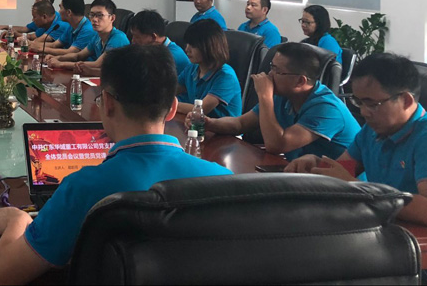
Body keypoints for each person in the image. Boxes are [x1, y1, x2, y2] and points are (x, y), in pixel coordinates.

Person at [0, 44, 232, 284]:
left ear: (107, 102)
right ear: (172, 109)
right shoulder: (223, 182)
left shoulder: (84, 187)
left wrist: (18, 220)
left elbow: (6, 274)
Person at [286, 53, 427, 225]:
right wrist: (316, 164)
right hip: (383, 227)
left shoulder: (423, 136)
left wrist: (357, 187)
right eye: (359, 102)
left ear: (406, 101)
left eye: (372, 104)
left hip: (414, 238)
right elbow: (345, 169)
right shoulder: (373, 130)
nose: (364, 112)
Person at [201, 42, 359, 161]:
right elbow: (240, 124)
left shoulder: (326, 109)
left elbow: (276, 145)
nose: (269, 74)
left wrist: (265, 97)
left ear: (300, 81)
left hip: (344, 184)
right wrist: (208, 123)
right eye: (272, 67)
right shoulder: (283, 95)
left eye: (277, 70)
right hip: (306, 174)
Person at [176, 19, 241, 118]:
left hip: (222, 127)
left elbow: (201, 110)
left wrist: (169, 105)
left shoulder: (226, 76)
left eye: (193, 45)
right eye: (187, 44)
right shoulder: (192, 68)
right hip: (197, 124)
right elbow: (171, 90)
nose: (187, 49)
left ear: (209, 47)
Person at [50, 0, 128, 74]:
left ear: (112, 18)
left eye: (100, 15)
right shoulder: (97, 37)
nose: (94, 19)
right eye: (92, 15)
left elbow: (97, 65)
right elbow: (78, 56)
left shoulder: (118, 38)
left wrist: (61, 64)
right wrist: (56, 58)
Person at [33, 0, 97, 57]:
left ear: (69, 12)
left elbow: (71, 52)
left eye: (61, 8)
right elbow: (55, 45)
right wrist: (33, 45)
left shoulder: (88, 30)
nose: (59, 11)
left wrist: (42, 49)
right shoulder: (71, 26)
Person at [128, 9, 191, 76]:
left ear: (153, 37)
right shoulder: (152, 51)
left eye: (137, 37)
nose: (133, 41)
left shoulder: (169, 58)